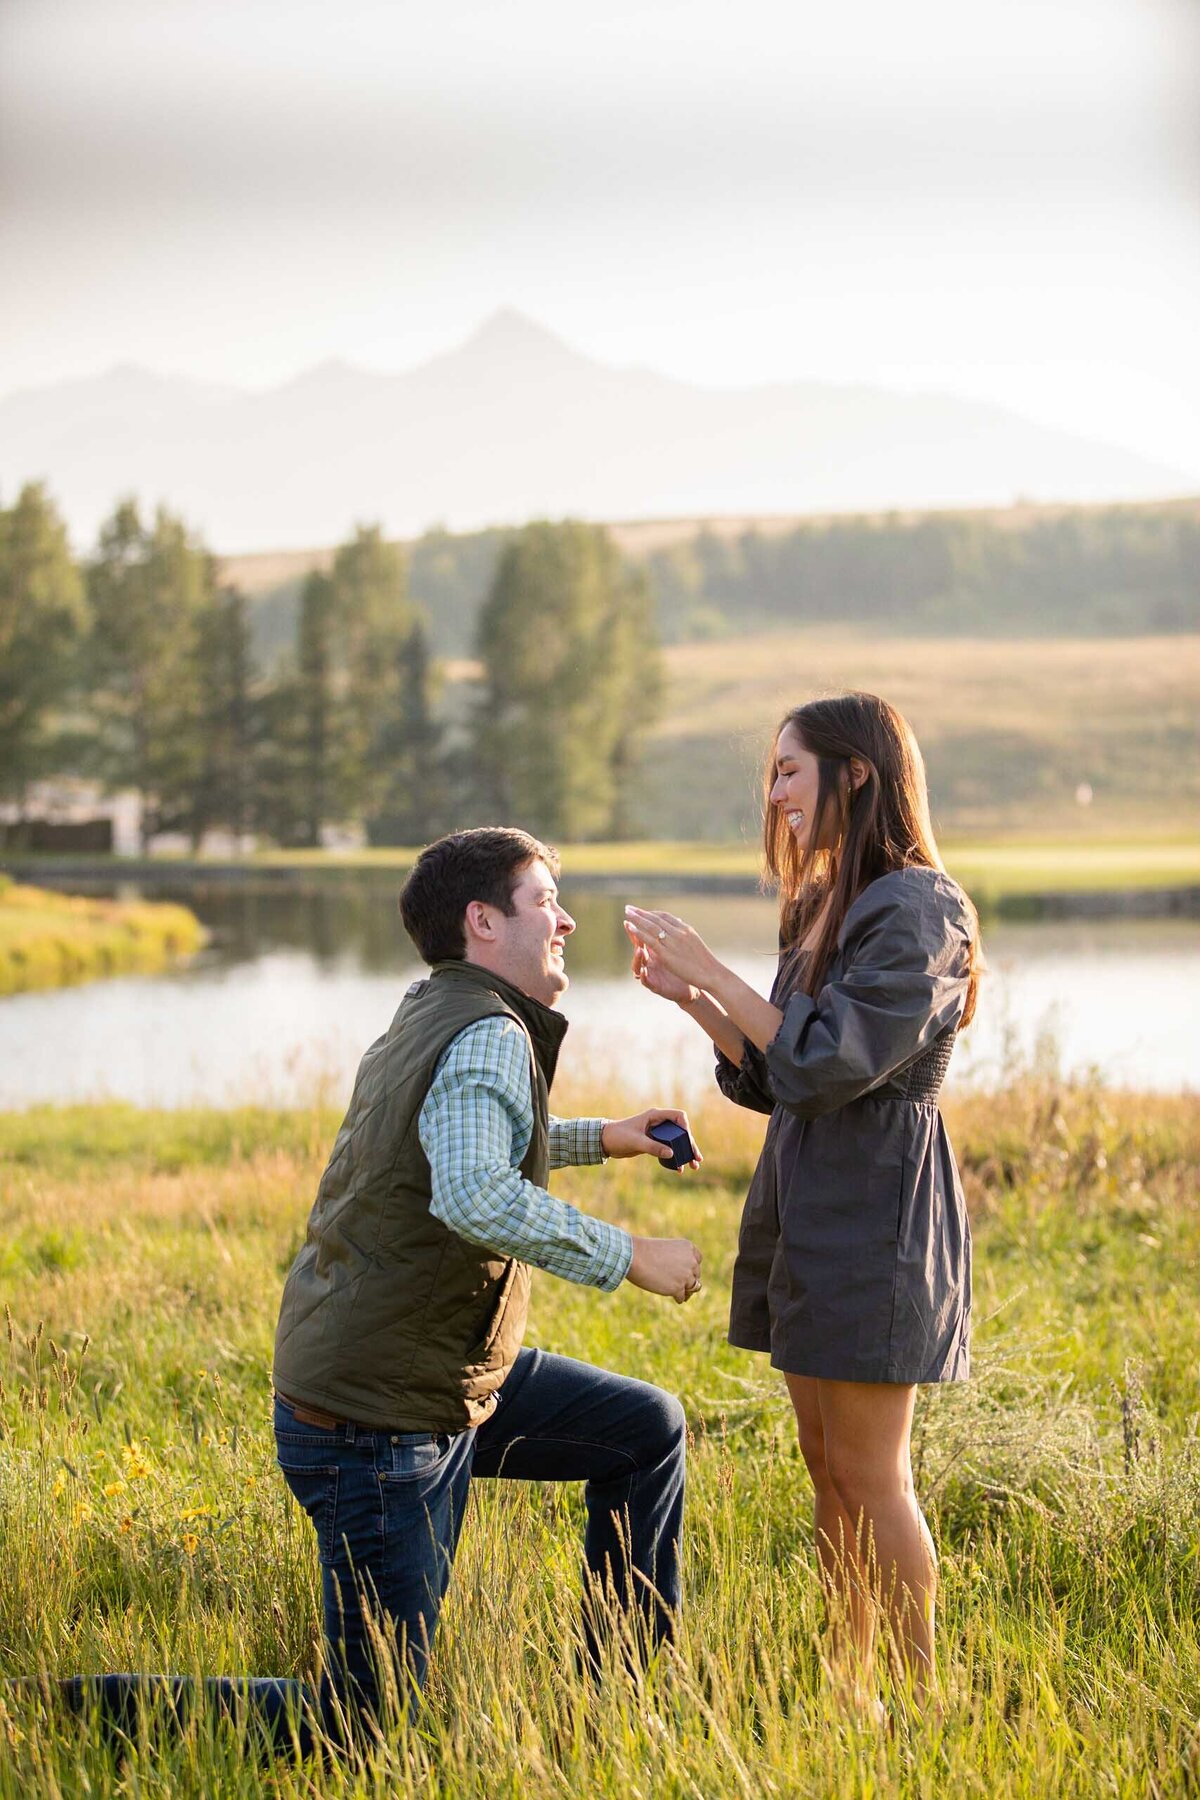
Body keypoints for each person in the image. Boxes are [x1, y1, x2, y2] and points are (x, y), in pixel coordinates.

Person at [272, 826, 703, 1728]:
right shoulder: (489, 1034)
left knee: (643, 1430)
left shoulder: (434, 1007)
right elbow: (473, 1192)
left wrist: (603, 1135)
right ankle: (58, 1710)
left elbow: (454, 1146)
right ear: (482, 921)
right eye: (545, 901)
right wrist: (634, 1257)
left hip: (416, 1377)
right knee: (361, 1726)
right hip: (381, 1423)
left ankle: (619, 1697)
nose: (568, 922)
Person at [624, 693, 981, 1713]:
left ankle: (920, 1705)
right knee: (826, 1468)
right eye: (772, 772)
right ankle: (847, 1686)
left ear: (856, 774)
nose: (774, 792)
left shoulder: (921, 907)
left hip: (877, 1208)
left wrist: (716, 972)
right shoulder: (819, 901)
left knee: (872, 1475)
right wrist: (694, 1000)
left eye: (790, 769)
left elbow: (830, 1061)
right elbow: (774, 1072)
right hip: (809, 1199)